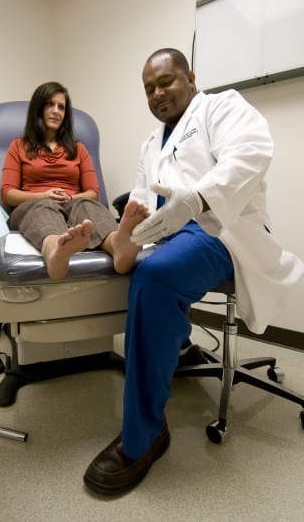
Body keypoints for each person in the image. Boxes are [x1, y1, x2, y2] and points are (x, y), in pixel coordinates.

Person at [83, 48, 304, 495]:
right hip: (172, 236)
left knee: (156, 275)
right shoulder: (151, 142)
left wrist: (196, 200)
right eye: (149, 89)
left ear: (190, 77)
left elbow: (251, 153)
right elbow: (146, 204)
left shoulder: (221, 107)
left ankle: (144, 436)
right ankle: (179, 347)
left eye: (165, 82)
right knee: (133, 264)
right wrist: (130, 229)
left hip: (224, 233)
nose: (157, 93)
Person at [1, 81, 149, 279]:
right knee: (44, 207)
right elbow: (8, 193)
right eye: (49, 104)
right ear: (38, 108)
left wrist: (71, 199)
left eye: (61, 107)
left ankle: (117, 246)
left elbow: (93, 192)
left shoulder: (78, 149)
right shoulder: (18, 146)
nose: (56, 111)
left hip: (72, 203)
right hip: (32, 205)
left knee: (86, 204)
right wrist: (42, 195)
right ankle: (56, 250)